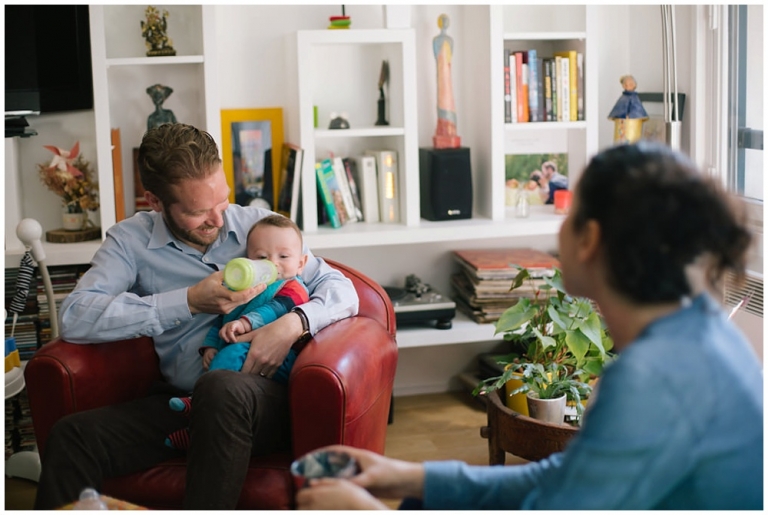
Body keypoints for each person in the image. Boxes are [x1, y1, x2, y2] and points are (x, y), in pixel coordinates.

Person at [295, 141, 762, 510]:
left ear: (590, 239)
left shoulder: (653, 379)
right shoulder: (699, 331)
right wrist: (402, 476)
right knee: (426, 501)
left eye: (568, 213)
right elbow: (568, 479)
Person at [34, 123, 359, 510]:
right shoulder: (131, 241)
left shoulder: (259, 229)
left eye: (221, 202)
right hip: (181, 403)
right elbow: (75, 315)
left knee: (221, 388)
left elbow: (342, 289)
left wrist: (293, 323)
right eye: (197, 212)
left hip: (259, 398)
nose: (219, 220)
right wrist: (187, 302)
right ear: (155, 201)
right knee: (72, 436)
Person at [165, 213, 310, 449]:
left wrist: (246, 323)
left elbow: (276, 308)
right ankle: (196, 429)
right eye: (262, 257)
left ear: (301, 263)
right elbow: (224, 316)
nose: (273, 263)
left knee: (230, 357)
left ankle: (198, 405)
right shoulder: (244, 287)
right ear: (249, 260)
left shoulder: (293, 287)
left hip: (280, 358)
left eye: (284, 256)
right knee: (224, 361)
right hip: (241, 353)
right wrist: (211, 344)